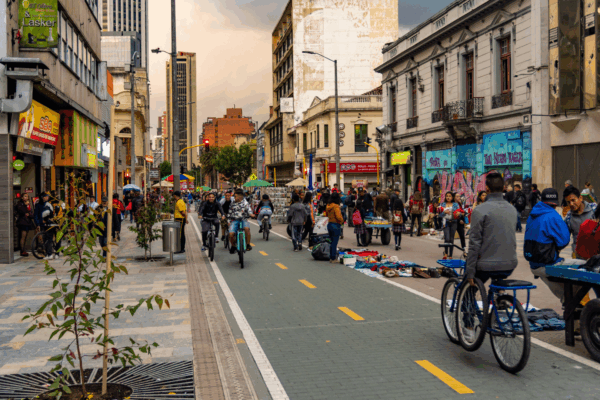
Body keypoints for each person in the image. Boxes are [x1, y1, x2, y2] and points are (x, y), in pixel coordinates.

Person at [466, 172, 518, 286]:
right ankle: (499, 298)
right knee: (496, 284)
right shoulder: (512, 209)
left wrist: (469, 271)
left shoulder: (480, 210)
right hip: (510, 264)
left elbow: (474, 243)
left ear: (487, 189)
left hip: (487, 265)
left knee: (468, 289)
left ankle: (467, 301)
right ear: (503, 188)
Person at [524, 188, 573, 302]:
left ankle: (569, 305)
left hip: (533, 264)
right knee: (582, 267)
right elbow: (564, 240)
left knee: (564, 295)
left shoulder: (532, 214)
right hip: (548, 263)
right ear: (556, 204)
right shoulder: (553, 215)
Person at [564, 186, 598, 259]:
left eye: (573, 200)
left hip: (595, 255)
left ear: (580, 198)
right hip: (578, 257)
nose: (571, 204)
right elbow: (564, 237)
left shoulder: (594, 209)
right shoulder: (569, 217)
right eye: (568, 202)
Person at [228, 189, 255, 254]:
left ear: (240, 197)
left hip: (244, 219)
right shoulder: (232, 203)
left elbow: (249, 210)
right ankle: (233, 246)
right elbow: (229, 213)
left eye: (235, 196)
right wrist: (228, 221)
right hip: (234, 220)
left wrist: (251, 214)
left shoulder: (245, 203)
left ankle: (248, 244)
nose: (234, 198)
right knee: (231, 234)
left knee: (247, 229)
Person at [440, 191, 459, 259]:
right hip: (446, 223)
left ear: (452, 197)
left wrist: (457, 214)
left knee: (451, 239)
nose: (448, 197)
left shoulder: (456, 205)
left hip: (453, 222)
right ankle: (445, 253)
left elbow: (459, 214)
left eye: (450, 196)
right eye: (447, 196)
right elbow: (440, 214)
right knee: (447, 238)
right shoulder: (442, 204)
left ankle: (450, 255)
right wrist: (444, 212)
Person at [325, 192, 344, 263]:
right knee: (334, 242)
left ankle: (331, 257)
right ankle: (333, 258)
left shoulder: (328, 206)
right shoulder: (336, 206)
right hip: (336, 224)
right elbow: (338, 216)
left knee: (331, 242)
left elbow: (326, 214)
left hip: (329, 224)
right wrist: (342, 221)